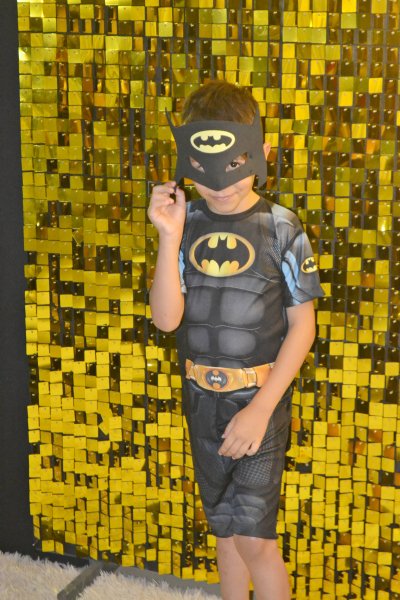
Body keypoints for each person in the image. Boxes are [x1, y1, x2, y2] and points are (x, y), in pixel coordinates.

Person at [148, 80, 324, 600]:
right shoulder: (186, 223)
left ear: (261, 152)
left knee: (253, 539)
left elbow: (303, 326)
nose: (220, 183)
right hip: (202, 401)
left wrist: (261, 410)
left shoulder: (282, 229)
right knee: (224, 532)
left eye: (235, 162)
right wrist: (168, 236)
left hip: (258, 404)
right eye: (203, 167)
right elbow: (166, 320)